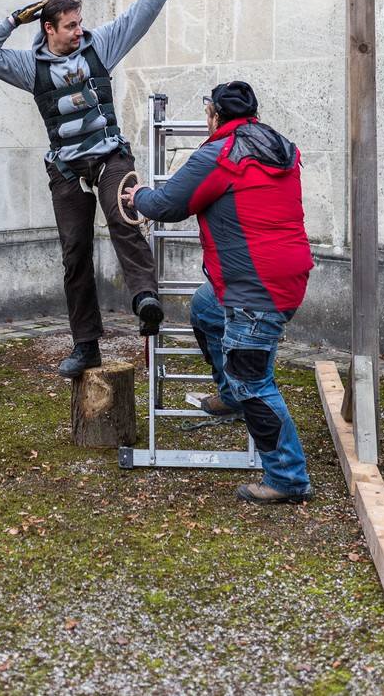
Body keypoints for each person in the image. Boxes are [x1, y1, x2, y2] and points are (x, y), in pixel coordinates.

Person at [0, 0, 196, 377]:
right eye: (70, 26)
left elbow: (138, 18)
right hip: (66, 166)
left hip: (110, 156)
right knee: (75, 254)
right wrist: (15, 18)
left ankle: (145, 299)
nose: (78, 31)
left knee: (125, 218)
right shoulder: (26, 66)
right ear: (48, 29)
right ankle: (86, 345)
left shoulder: (99, 47)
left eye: (79, 23)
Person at [122, 80, 314, 505]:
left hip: (255, 289)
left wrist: (140, 195)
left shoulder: (220, 155)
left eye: (208, 111)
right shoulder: (281, 148)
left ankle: (288, 478)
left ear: (215, 115)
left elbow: (169, 204)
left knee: (255, 384)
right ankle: (229, 394)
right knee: (206, 309)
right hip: (282, 274)